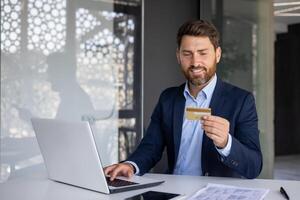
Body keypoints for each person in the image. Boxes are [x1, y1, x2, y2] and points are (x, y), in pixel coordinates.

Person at [104, 19, 263, 180]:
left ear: (218, 54)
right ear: (178, 56)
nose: (195, 62)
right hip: (173, 192)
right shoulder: (168, 98)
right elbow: (151, 146)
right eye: (187, 54)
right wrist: (130, 165)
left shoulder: (241, 101)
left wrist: (226, 142)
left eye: (203, 53)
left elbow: (254, 166)